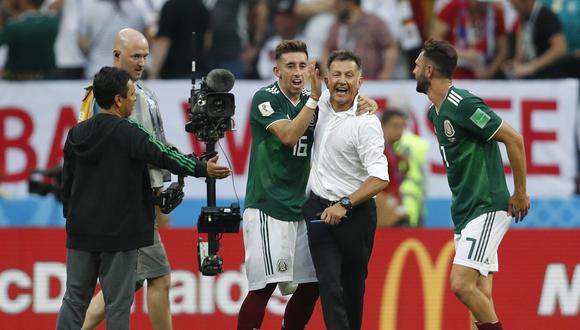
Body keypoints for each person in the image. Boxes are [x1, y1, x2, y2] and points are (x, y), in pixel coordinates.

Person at [56, 66, 231, 330]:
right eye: (130, 94)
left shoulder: (76, 134)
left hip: (81, 232)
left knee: (74, 301)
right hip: (120, 234)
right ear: (118, 100)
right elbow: (165, 156)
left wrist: (72, 215)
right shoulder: (130, 133)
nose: (134, 98)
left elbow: (66, 182)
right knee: (117, 304)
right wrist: (201, 168)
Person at [238, 39, 377, 330]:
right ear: (277, 71)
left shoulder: (317, 101)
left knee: (313, 286)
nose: (297, 72)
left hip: (302, 208)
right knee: (265, 287)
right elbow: (288, 136)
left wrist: (366, 102)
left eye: (303, 65)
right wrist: (313, 100)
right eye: (290, 66)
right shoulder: (266, 98)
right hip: (268, 207)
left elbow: (344, 106)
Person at [413, 39, 531, 330]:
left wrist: (520, 192)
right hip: (464, 212)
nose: (412, 68)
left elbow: (514, 139)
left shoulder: (462, 103)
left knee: (461, 284)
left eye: (416, 64)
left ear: (429, 71)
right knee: (481, 293)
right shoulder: (434, 113)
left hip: (486, 206)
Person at [78, 28, 173, 330]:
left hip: (136, 200)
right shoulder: (113, 99)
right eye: (136, 56)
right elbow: (128, 149)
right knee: (160, 277)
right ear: (117, 55)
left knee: (127, 284)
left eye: (145, 56)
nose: (142, 62)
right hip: (130, 203)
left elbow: (154, 143)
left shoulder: (141, 92)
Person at [301, 50, 389, 330]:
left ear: (360, 82)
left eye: (349, 75)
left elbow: (379, 178)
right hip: (318, 210)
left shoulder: (367, 123)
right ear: (326, 79)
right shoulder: (321, 101)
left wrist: (345, 204)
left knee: (352, 290)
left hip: (355, 215)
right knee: (329, 286)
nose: (342, 81)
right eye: (336, 74)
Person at [431, 0, 509, 79]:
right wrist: (461, 53)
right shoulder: (453, 6)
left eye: (485, 2)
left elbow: (503, 50)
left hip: (482, 77)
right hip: (452, 75)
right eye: (479, 2)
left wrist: (489, 71)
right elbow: (434, 41)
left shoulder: (495, 12)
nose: (483, 5)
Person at [502, 0, 567, 78]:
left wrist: (532, 66)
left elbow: (560, 49)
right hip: (530, 74)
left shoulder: (546, 16)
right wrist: (516, 62)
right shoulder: (524, 17)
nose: (514, 9)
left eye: (516, 6)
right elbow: (523, 43)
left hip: (548, 75)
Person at [376, 109, 409, 227]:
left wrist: (405, 169)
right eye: (395, 126)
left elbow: (394, 181)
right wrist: (387, 201)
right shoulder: (379, 150)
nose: (399, 131)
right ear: (383, 126)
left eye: (401, 127)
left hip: (394, 201)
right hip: (384, 206)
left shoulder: (392, 151)